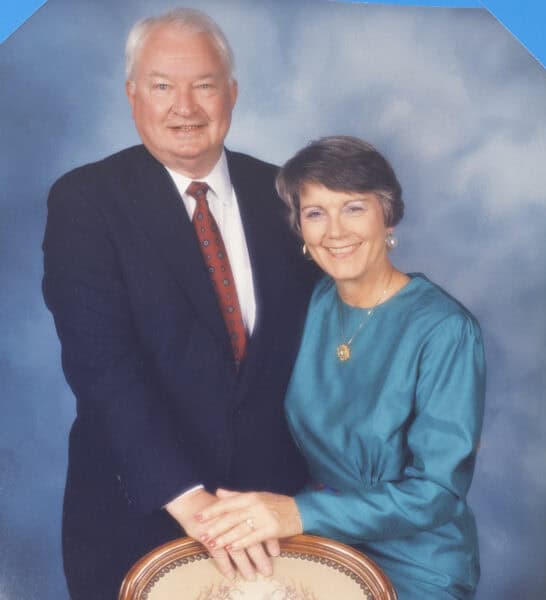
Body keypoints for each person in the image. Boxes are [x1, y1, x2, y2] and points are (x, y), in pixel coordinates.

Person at [42, 8, 317, 599]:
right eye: (163, 85)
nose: (184, 107)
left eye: (204, 84)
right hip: (140, 512)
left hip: (272, 513)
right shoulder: (86, 202)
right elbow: (102, 369)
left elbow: (325, 346)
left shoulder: (286, 197)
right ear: (133, 94)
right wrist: (193, 504)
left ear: (233, 94)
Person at [196, 136, 486, 599]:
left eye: (353, 208)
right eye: (315, 213)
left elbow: (439, 493)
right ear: (301, 229)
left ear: (387, 214)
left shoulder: (445, 330)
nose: (335, 232)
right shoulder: (308, 305)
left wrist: (296, 513)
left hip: (416, 563)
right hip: (320, 545)